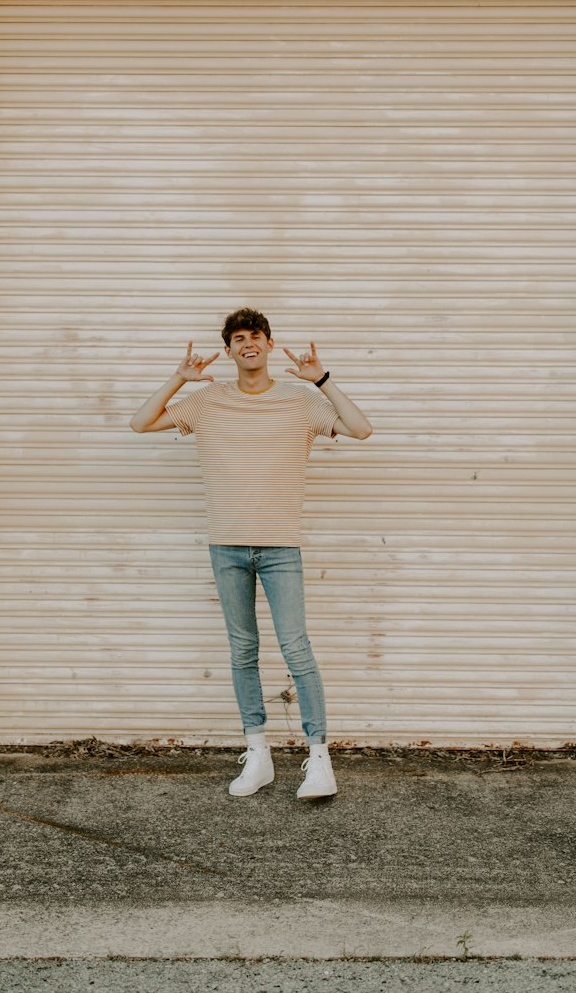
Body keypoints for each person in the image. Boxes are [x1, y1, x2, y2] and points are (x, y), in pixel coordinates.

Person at [130, 307, 373, 800]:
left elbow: (361, 428)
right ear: (229, 350)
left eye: (256, 336)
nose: (248, 344)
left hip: (281, 543)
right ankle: (257, 754)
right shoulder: (207, 400)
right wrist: (179, 378)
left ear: (267, 343)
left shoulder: (300, 400)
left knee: (296, 650)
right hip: (227, 545)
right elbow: (140, 422)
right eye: (238, 338)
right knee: (243, 651)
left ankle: (319, 760)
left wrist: (322, 379)